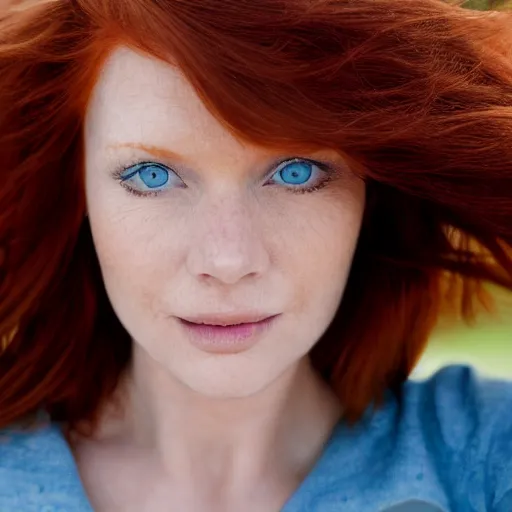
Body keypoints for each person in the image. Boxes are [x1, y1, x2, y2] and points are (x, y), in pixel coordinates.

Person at [0, 0, 511, 510]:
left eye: (296, 172)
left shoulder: (480, 459)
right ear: (77, 187)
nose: (228, 260)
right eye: (151, 176)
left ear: (369, 191)